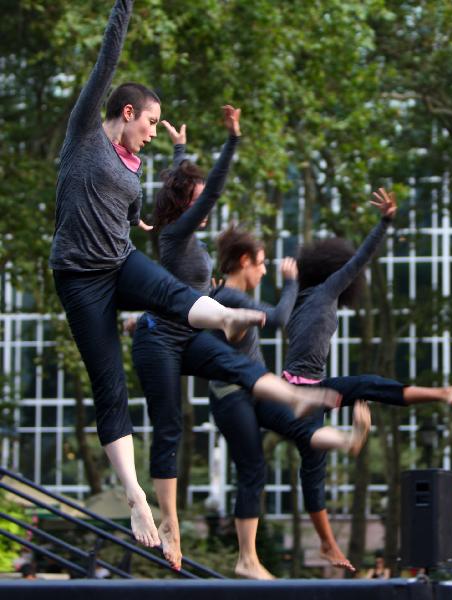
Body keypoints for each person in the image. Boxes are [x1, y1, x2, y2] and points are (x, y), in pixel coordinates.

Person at [49, 0, 303, 549]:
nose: (150, 132)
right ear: (124, 112)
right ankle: (138, 500)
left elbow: (147, 197)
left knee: (172, 293)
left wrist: (171, 167)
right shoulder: (86, 136)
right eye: (147, 122)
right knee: (109, 387)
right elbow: (106, 61)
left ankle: (233, 315)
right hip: (78, 279)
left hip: (118, 262)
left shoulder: (133, 164)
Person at [131, 110, 340, 569]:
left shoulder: (186, 237)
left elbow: (178, 190)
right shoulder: (176, 234)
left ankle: (299, 401)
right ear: (188, 205)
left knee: (246, 369)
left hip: (187, 336)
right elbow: (205, 195)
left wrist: (182, 151)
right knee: (169, 428)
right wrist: (232, 140)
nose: (207, 206)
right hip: (161, 342)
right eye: (199, 199)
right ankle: (169, 522)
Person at [281, 188, 452, 571]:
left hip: (306, 388)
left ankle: (327, 542)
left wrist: (288, 280)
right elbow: (360, 261)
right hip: (300, 391)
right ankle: (428, 400)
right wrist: (386, 222)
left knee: (317, 460)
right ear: (331, 271)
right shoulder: (327, 290)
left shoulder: (296, 301)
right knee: (361, 397)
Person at [209, 226, 371, 579]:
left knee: (302, 428)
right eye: (262, 264)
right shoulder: (229, 298)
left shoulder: (220, 295)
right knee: (253, 471)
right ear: (244, 262)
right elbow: (279, 317)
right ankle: (247, 559)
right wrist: (290, 282)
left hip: (254, 389)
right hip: (231, 396)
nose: (265, 270)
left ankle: (347, 440)